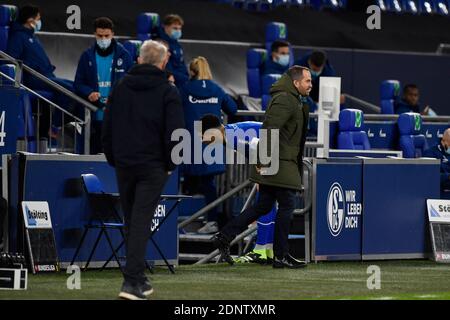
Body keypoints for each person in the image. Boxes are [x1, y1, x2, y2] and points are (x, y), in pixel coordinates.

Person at [102, 40, 184, 300]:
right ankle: (131, 283)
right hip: (153, 165)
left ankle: (138, 278)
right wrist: (171, 165)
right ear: (163, 62)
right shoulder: (168, 91)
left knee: (132, 220)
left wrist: (113, 157)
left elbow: (108, 126)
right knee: (140, 221)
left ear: (139, 59)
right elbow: (176, 134)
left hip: (125, 163)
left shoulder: (121, 86)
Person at [212, 65, 312, 269]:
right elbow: (269, 130)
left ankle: (224, 236)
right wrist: (263, 162)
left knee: (263, 206)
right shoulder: (286, 99)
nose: (311, 84)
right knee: (287, 206)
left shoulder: (293, 99)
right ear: (296, 83)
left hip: (279, 161)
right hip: (278, 163)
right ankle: (281, 255)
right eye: (307, 81)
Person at [200, 114, 276, 264]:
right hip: (274, 152)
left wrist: (262, 172)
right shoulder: (228, 134)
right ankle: (267, 250)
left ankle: (261, 250)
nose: (203, 140)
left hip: (275, 153)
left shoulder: (233, 137)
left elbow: (262, 145)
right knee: (267, 203)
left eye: (203, 135)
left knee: (264, 203)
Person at [180, 56, 237, 234]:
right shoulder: (217, 89)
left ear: (192, 71)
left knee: (182, 179)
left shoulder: (185, 89)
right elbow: (233, 109)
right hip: (213, 141)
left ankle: (180, 221)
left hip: (190, 141)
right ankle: (211, 219)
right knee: (208, 183)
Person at [7, 4, 75, 137]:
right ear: (30, 20)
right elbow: (12, 59)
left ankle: (54, 126)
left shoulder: (31, 37)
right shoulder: (18, 37)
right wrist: (31, 68)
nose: (39, 22)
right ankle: (54, 126)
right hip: (33, 79)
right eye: (38, 18)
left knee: (74, 86)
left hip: (46, 76)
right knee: (69, 91)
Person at [74, 17, 133, 154]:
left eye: (106, 36)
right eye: (100, 36)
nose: (103, 39)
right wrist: (89, 92)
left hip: (117, 116)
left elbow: (132, 82)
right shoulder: (87, 56)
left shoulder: (124, 56)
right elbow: (78, 83)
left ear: (112, 34)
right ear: (95, 34)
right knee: (94, 154)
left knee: (116, 155)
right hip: (95, 116)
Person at [156, 14, 189, 87]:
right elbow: (167, 68)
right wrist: (186, 79)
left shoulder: (176, 43)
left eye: (179, 29)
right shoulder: (162, 44)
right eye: (175, 28)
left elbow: (182, 64)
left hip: (182, 78)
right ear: (165, 27)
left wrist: (190, 76)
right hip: (174, 80)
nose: (178, 31)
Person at [423, 128, 450, 194]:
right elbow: (430, 176)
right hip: (440, 189)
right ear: (444, 142)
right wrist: (448, 176)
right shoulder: (430, 153)